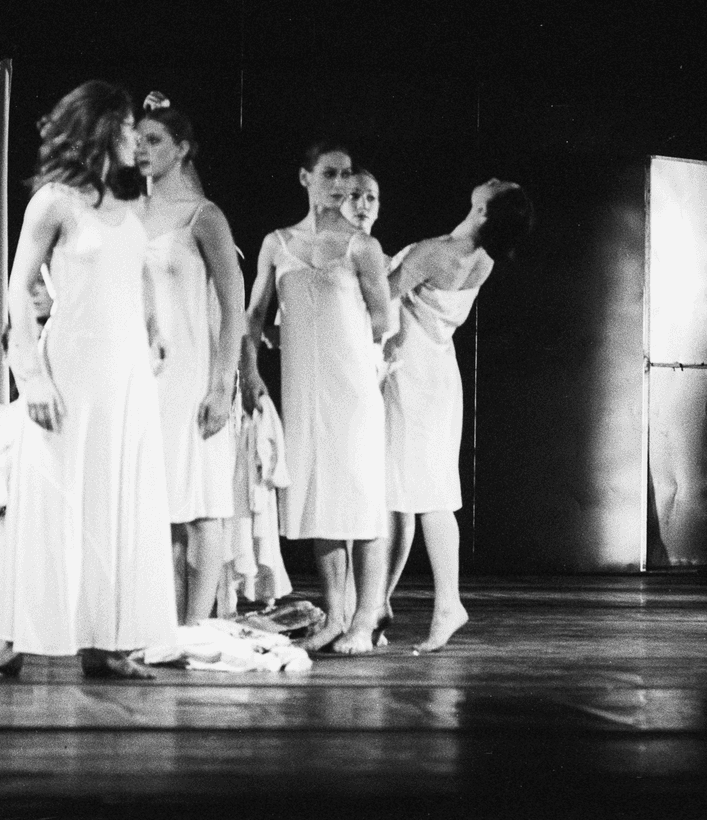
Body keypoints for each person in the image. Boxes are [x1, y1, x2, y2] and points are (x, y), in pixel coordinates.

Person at [0, 81, 177, 679]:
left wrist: (154, 324)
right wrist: (34, 379)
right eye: (128, 127)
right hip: (71, 368)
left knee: (116, 502)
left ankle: (110, 642)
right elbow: (18, 292)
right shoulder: (55, 201)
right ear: (102, 128)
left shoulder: (130, 202)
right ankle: (14, 640)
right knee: (53, 501)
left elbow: (139, 269)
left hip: (126, 373)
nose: (135, 139)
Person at [240, 143, 392, 655]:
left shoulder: (360, 247)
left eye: (347, 173)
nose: (340, 182)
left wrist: (332, 335)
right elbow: (255, 315)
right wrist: (254, 369)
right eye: (329, 173)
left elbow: (381, 321)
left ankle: (365, 619)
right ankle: (335, 613)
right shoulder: (277, 243)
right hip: (304, 388)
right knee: (318, 498)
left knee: (362, 499)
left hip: (350, 388)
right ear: (305, 177)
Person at [382, 180, 534, 651]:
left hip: (411, 372)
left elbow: (376, 298)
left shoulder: (438, 252)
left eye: (499, 187)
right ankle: (380, 601)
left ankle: (448, 603)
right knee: (405, 490)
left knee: (425, 492)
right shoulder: (483, 259)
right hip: (436, 371)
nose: (494, 177)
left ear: (484, 209)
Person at [135, 92, 246, 625]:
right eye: (136, 139)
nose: (141, 148)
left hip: (194, 376)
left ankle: (198, 626)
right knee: (159, 508)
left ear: (181, 148)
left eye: (153, 139)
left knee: (202, 504)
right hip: (146, 378)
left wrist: (222, 385)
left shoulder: (204, 215)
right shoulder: (128, 214)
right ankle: (163, 620)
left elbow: (233, 304)